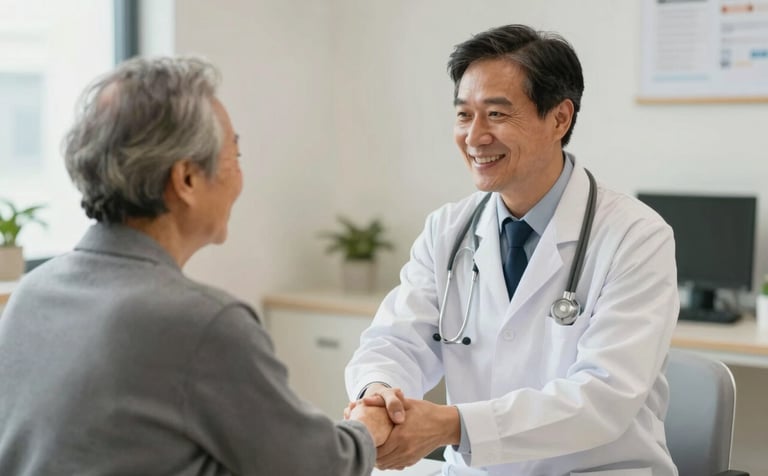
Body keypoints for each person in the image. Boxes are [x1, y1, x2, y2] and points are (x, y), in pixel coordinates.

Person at [0, 56, 392, 476]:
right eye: (235, 155)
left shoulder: (31, 293)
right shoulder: (203, 323)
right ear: (186, 179)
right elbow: (318, 468)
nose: (240, 178)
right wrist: (367, 427)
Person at [345, 24, 679, 476]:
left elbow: (604, 397)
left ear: (559, 119)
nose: (475, 136)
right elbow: (394, 341)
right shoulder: (448, 229)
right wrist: (378, 398)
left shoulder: (635, 236)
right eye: (464, 115)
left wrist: (453, 425)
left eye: (497, 115)